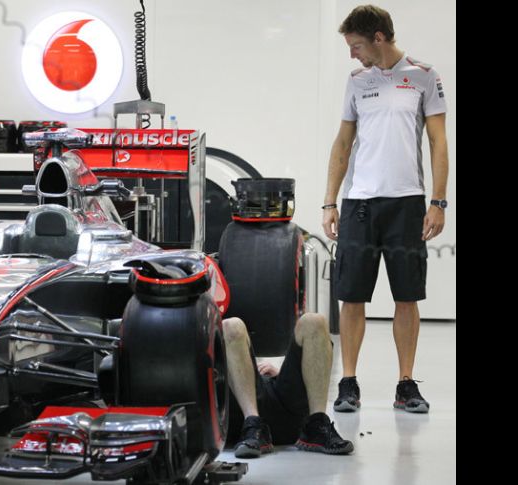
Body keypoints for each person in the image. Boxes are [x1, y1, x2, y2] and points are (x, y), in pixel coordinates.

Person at [321, 5, 449, 414]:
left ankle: (406, 384)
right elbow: (342, 145)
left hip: (407, 202)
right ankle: (348, 383)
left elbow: (438, 143)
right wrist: (329, 200)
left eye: (356, 45)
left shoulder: (424, 76)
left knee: (407, 297)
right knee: (352, 296)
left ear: (379, 37)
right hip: (359, 202)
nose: (352, 54)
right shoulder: (357, 81)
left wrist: (438, 201)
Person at [224, 315, 353, 457]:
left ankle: (317, 425)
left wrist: (281, 373)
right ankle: (253, 425)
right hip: (241, 411)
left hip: (284, 405)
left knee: (314, 321)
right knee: (231, 326)